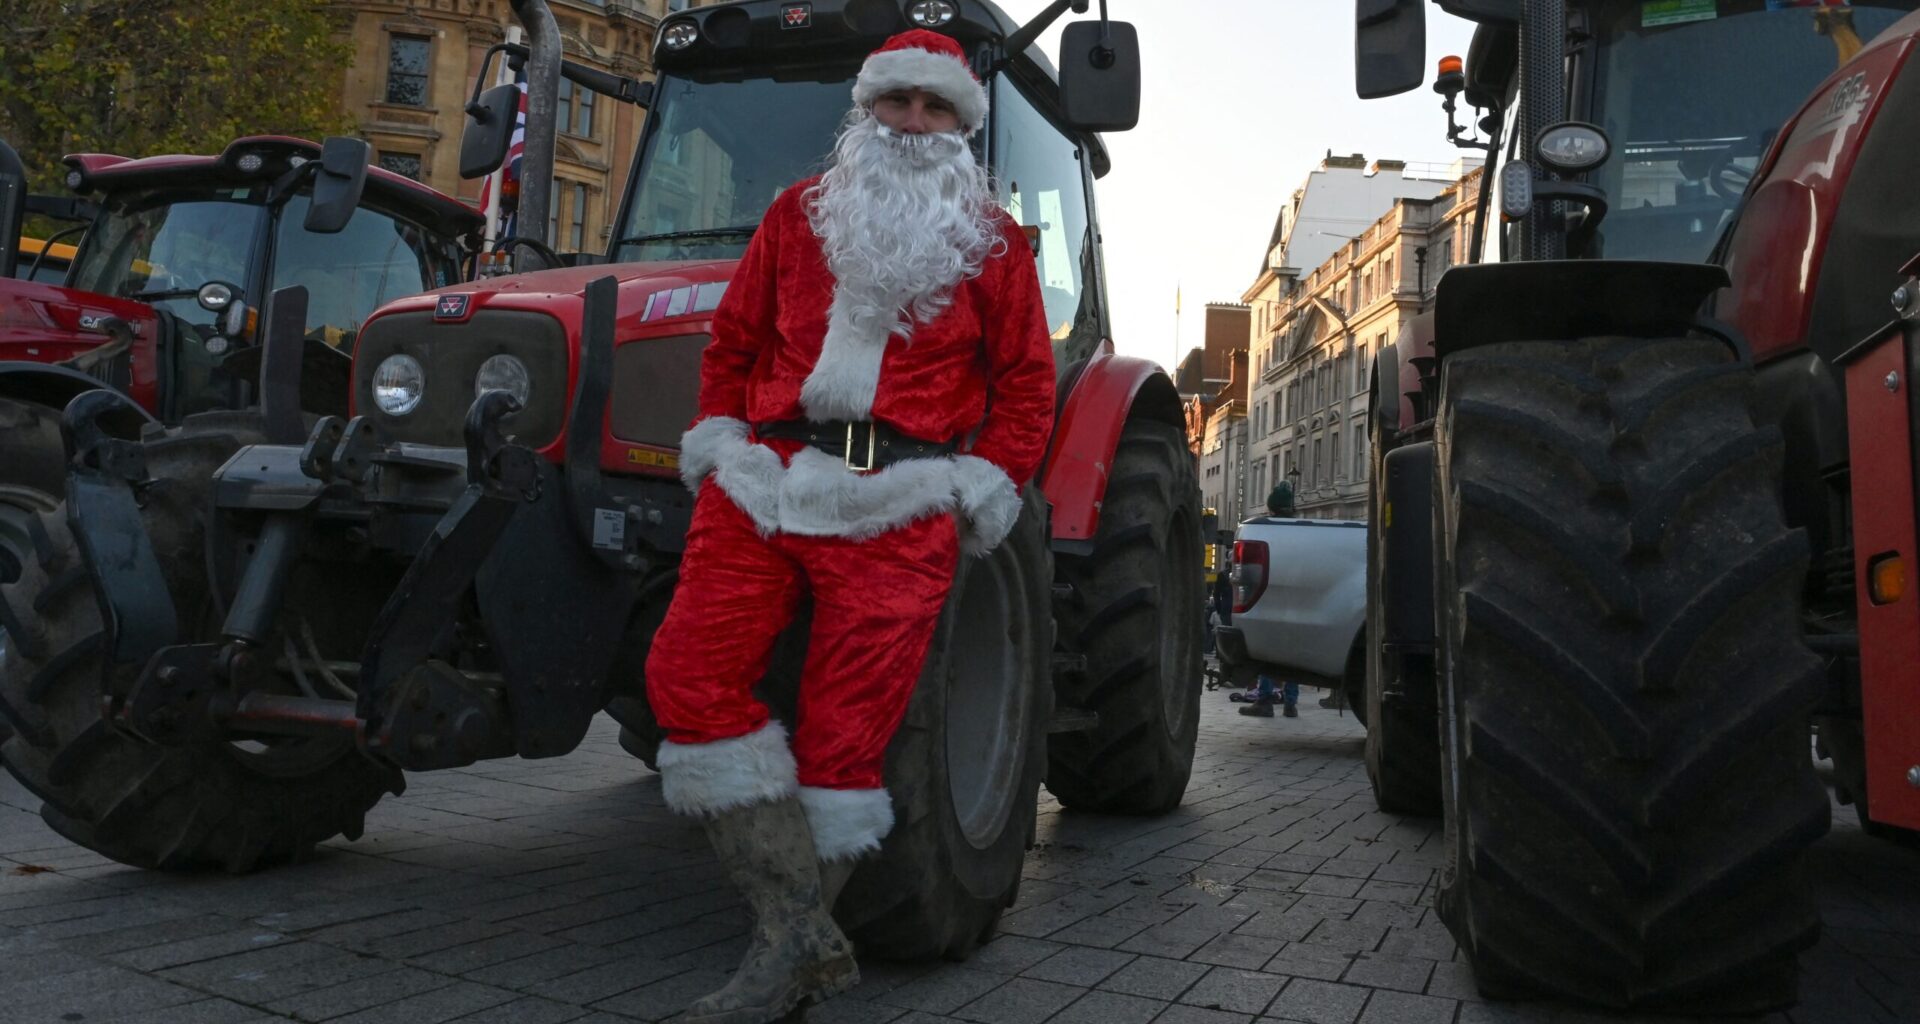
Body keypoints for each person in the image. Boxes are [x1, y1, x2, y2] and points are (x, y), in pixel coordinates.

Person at [643, 29, 1055, 1024]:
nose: (913, 122)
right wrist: (723, 444)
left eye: (935, 107)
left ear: (963, 124)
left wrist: (980, 486)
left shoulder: (994, 245)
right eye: (896, 103)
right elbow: (733, 342)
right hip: (767, 482)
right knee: (684, 675)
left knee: (844, 735)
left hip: (899, 499)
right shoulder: (796, 216)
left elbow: (1028, 385)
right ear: (865, 111)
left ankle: (779, 960)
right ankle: (799, 924)